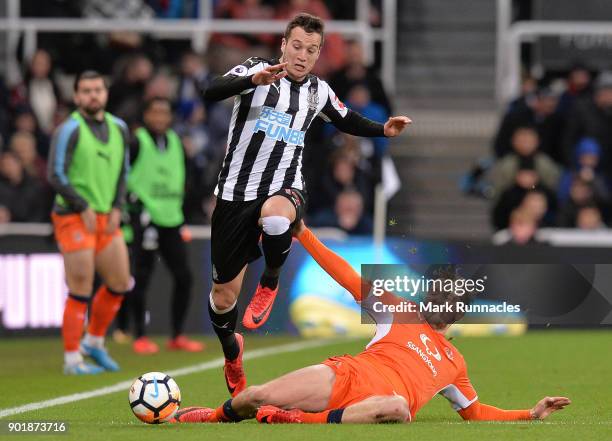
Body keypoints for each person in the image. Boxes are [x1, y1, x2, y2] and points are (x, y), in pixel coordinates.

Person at [199, 13, 410, 397]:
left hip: (285, 186)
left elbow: (346, 118)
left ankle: (270, 280)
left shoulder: (318, 91)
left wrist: (383, 129)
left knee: (278, 219)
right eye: (296, 46)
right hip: (234, 194)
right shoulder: (257, 70)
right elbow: (211, 90)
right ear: (283, 44)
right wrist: (251, 80)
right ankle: (232, 353)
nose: (302, 55)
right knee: (222, 299)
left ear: (317, 55)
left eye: (311, 50)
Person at [171, 221, 571, 424]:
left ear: (457, 312)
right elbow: (347, 277)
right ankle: (212, 416)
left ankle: (301, 420)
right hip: (344, 375)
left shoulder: (455, 363)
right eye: (437, 292)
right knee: (256, 395)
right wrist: (304, 234)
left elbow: (476, 412)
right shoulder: (399, 309)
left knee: (399, 407)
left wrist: (529, 414)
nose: (440, 300)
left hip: (379, 405)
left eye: (449, 298)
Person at [47, 70, 131, 375]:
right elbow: (55, 175)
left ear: (106, 93)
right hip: (74, 215)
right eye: (86, 90)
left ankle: (94, 342)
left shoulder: (119, 127)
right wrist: (81, 205)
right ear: (76, 96)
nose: (92, 95)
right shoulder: (69, 129)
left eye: (97, 89)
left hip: (107, 215)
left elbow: (124, 172)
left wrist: (118, 207)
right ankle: (72, 360)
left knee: (120, 282)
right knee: (80, 285)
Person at [119, 96, 204, 354]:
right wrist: (129, 208)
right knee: (141, 277)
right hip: (144, 218)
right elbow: (121, 176)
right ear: (146, 115)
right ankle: (139, 335)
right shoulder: (136, 142)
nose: (159, 118)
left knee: (184, 277)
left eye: (164, 113)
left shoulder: (176, 143)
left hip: (171, 219)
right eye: (154, 112)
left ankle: (177, 334)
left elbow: (186, 178)